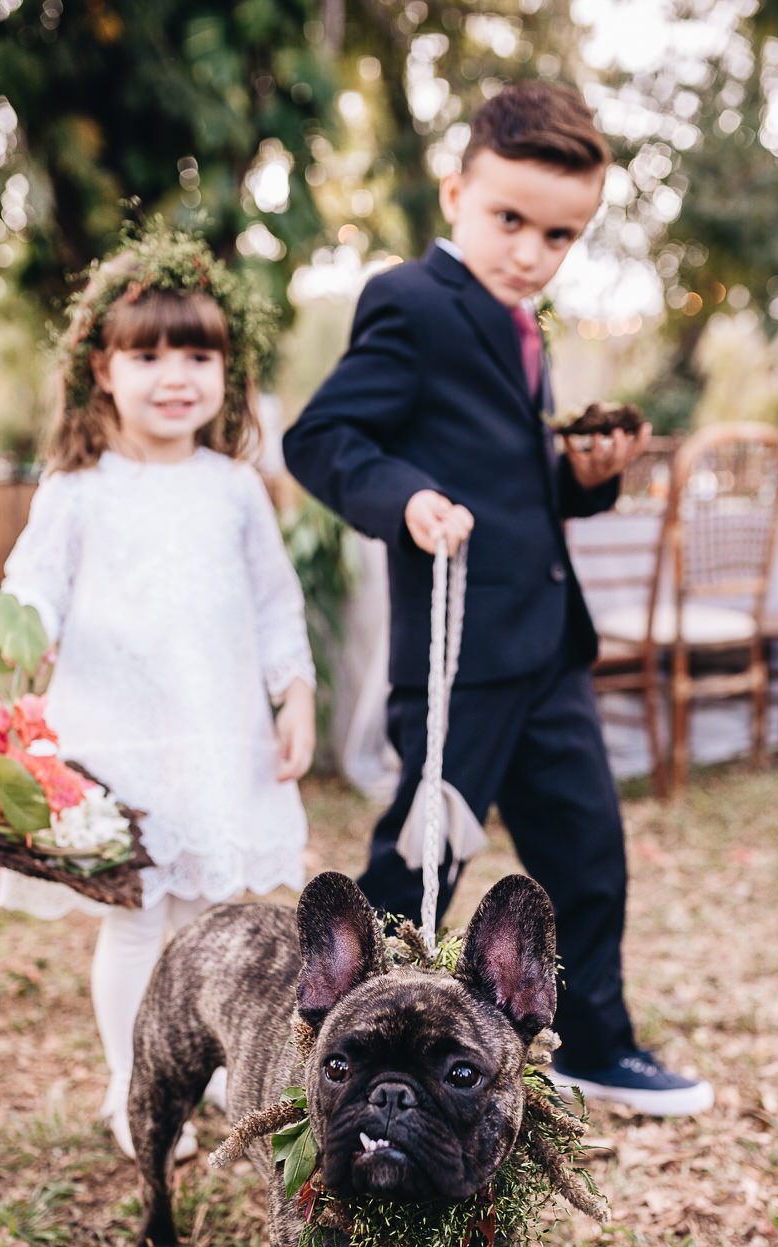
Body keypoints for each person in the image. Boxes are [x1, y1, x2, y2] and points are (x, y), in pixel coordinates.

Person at [284, 81, 712, 1117]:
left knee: (587, 854)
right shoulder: (411, 301)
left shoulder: (524, 326)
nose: (530, 252)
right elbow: (323, 438)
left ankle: (594, 1041)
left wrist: (588, 475)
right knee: (421, 858)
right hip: (461, 653)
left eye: (559, 236)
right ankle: (353, 1058)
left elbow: (521, 484)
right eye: (509, 219)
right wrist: (406, 498)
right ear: (455, 193)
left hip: (547, 645)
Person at [0, 225, 316, 1159]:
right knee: (138, 923)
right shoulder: (79, 489)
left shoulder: (235, 489)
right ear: (103, 370)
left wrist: (294, 693)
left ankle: (194, 1061)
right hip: (121, 742)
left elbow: (276, 606)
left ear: (226, 372)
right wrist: (24, 632)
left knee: (208, 923)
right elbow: (33, 584)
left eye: (197, 356)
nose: (175, 376)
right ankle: (132, 1085)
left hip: (216, 739)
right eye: (148, 356)